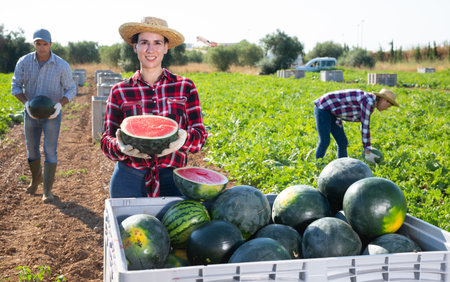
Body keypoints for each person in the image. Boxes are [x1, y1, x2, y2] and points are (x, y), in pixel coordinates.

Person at [100, 17, 208, 198]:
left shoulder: (185, 87)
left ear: (166, 47)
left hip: (174, 179)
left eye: (157, 43)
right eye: (144, 42)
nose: (150, 50)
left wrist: (184, 139)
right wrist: (119, 147)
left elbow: (200, 137)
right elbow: (106, 140)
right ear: (135, 47)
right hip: (128, 178)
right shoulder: (120, 91)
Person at [11, 29, 77, 202]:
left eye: (45, 44)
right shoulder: (24, 62)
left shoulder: (61, 65)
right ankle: (36, 179)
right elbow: (16, 86)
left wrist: (59, 105)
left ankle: (47, 190)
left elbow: (71, 88)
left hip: (51, 114)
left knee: (49, 150)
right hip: (30, 113)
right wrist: (26, 103)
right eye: (38, 44)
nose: (41, 47)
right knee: (31, 148)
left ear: (51, 44)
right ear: (34, 44)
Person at [313, 88, 399, 162]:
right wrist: (367, 151)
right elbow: (365, 127)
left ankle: (342, 167)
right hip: (323, 107)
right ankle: (318, 165)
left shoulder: (370, 103)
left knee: (343, 142)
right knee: (325, 141)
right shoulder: (368, 102)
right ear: (384, 100)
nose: (386, 109)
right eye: (388, 105)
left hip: (334, 113)